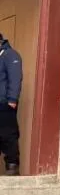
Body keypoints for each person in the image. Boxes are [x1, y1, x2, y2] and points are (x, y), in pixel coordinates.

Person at [0, 33, 22, 177]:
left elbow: (15, 78)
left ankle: (12, 169)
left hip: (4, 104)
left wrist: (12, 100)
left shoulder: (10, 55)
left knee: (9, 135)